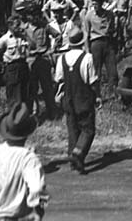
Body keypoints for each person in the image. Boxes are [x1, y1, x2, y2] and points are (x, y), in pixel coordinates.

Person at [54, 28, 102, 174]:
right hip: (83, 97)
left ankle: (73, 159)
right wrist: (98, 96)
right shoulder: (87, 58)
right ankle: (78, 153)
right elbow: (93, 80)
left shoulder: (62, 59)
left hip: (68, 98)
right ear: (82, 42)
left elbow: (58, 79)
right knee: (88, 129)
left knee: (72, 128)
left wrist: (59, 95)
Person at [0, 15, 31, 108]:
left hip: (23, 65)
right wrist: (2, 65)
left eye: (19, 24)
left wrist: (26, 35)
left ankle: (25, 116)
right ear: (10, 26)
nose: (19, 27)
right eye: (16, 25)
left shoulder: (22, 37)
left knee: (25, 93)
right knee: (13, 95)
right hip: (12, 68)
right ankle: (14, 118)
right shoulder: (4, 39)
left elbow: (33, 46)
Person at [84, 0, 118, 88]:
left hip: (108, 42)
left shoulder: (109, 14)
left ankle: (113, 91)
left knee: (112, 70)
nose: (95, 6)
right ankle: (96, 93)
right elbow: (86, 33)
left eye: (97, 4)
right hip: (96, 43)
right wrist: (87, 50)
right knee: (96, 70)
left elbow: (113, 29)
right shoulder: (89, 16)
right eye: (93, 4)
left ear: (101, 4)